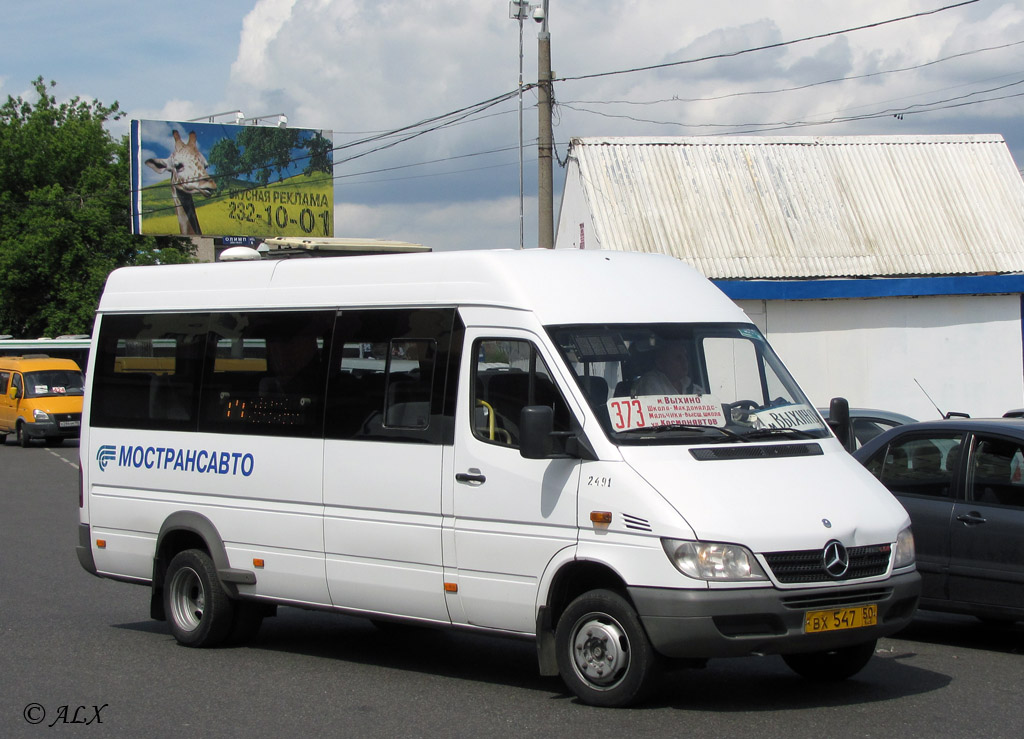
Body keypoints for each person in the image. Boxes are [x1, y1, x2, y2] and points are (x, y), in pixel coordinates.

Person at [634, 341, 704, 396]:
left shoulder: (694, 388)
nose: (684, 361)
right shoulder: (650, 382)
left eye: (685, 356)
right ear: (661, 363)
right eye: (678, 358)